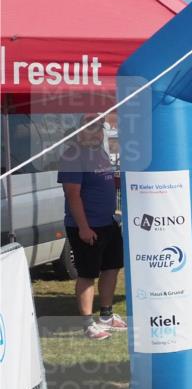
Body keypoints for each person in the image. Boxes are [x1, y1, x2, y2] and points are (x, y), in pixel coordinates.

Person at [58, 116, 127, 340]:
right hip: (87, 227)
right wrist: (84, 228)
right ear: (80, 133)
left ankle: (106, 315)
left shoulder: (100, 153)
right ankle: (87, 323)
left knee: (112, 268)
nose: (97, 135)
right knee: (88, 274)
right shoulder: (72, 155)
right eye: (92, 130)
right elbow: (72, 194)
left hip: (108, 222)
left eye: (100, 130)